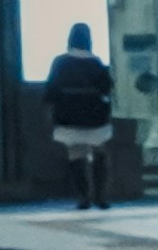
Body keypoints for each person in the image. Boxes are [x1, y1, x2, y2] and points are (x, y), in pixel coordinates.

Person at [39, 25, 120, 209]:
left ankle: (84, 197)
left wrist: (49, 114)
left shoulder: (60, 62)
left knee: (75, 153)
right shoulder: (96, 63)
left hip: (68, 116)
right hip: (95, 116)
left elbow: (51, 90)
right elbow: (107, 88)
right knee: (99, 152)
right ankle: (101, 195)